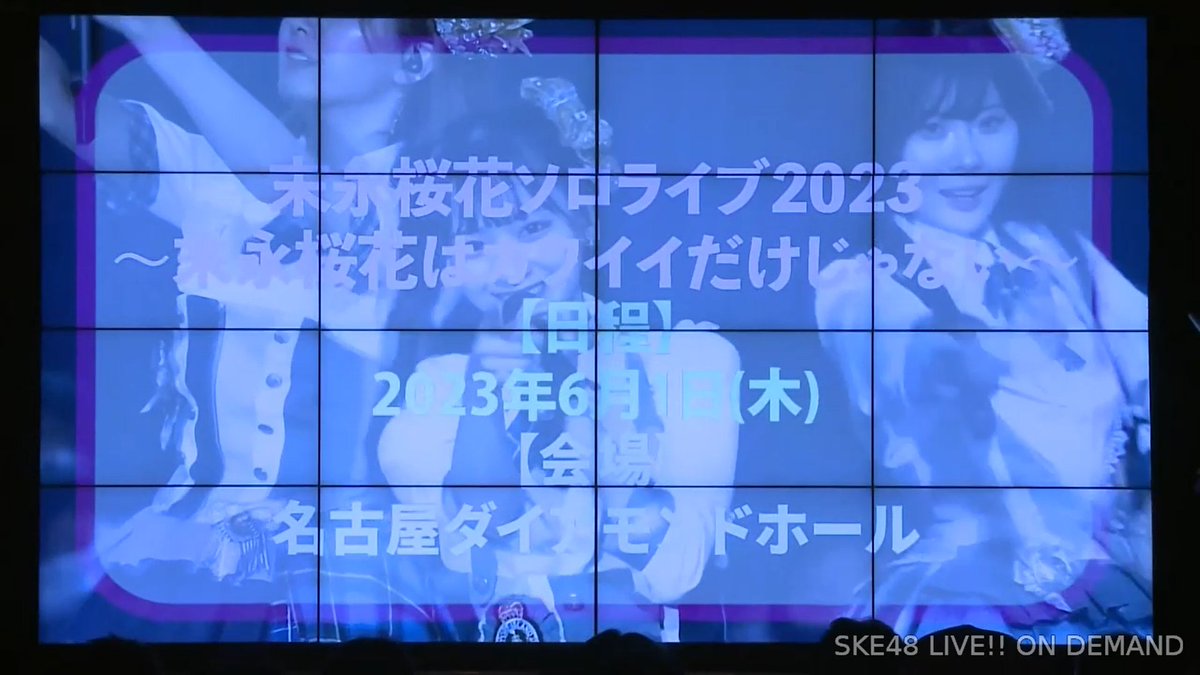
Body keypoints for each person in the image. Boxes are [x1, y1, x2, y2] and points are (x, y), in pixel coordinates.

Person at [38, 15, 529, 642]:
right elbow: (57, 106)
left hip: (346, 572)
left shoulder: (436, 209)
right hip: (182, 558)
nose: (299, 23)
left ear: (415, 62)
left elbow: (305, 195)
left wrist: (155, 30)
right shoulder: (211, 172)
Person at [814, 18, 1150, 638]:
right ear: (886, 142)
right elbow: (901, 355)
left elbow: (1156, 369)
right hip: (975, 598)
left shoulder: (1055, 250)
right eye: (933, 130)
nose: (968, 158)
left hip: (1112, 584)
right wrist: (937, 364)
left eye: (991, 124)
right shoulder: (860, 281)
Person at [376, 77, 741, 643]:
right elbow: (480, 534)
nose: (510, 270)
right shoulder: (434, 391)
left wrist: (605, 406)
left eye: (532, 228)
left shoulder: (690, 362)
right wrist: (483, 388)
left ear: (586, 223)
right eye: (476, 243)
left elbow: (675, 569)